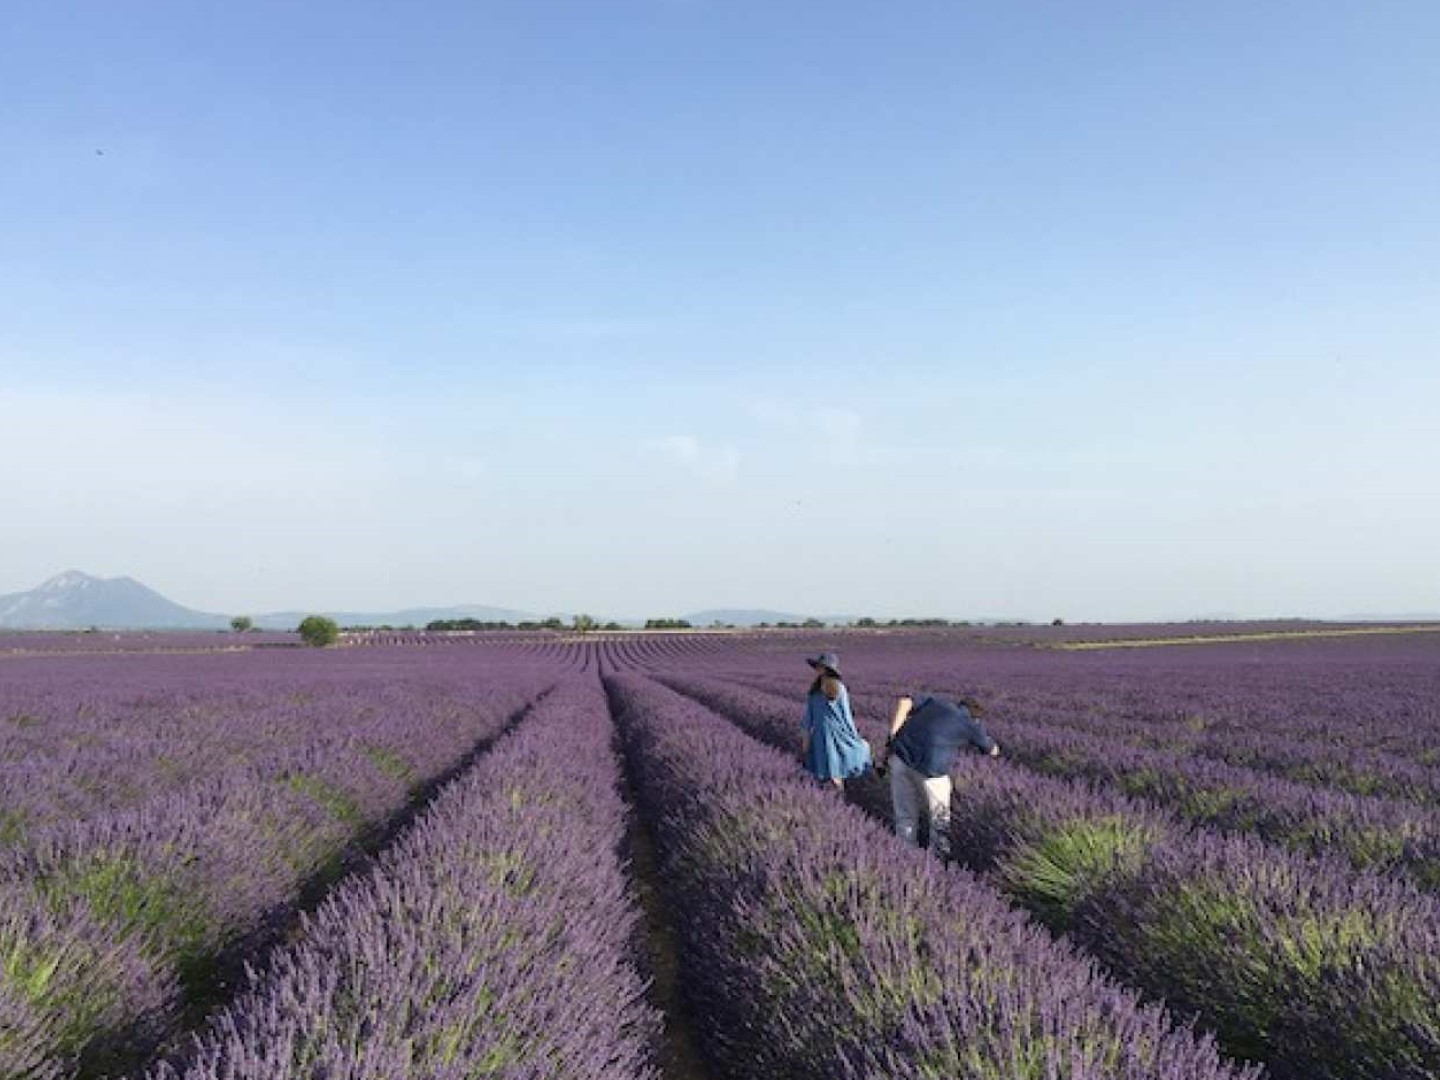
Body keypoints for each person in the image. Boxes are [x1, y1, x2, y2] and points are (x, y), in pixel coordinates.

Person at [875, 692, 1000, 861]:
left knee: (905, 815)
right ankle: (938, 862)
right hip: (930, 771)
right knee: (939, 819)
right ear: (975, 715)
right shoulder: (971, 723)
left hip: (900, 759)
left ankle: (905, 857)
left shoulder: (936, 703)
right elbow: (992, 751)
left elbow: (904, 702)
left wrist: (892, 735)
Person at [800, 653, 873, 789]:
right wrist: (806, 738)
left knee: (835, 773)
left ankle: (839, 799)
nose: (818, 669)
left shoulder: (839, 689)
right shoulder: (814, 691)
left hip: (837, 733)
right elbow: (808, 717)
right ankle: (830, 801)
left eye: (820, 666)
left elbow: (846, 715)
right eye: (817, 666)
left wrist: (854, 736)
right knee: (823, 773)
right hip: (821, 734)